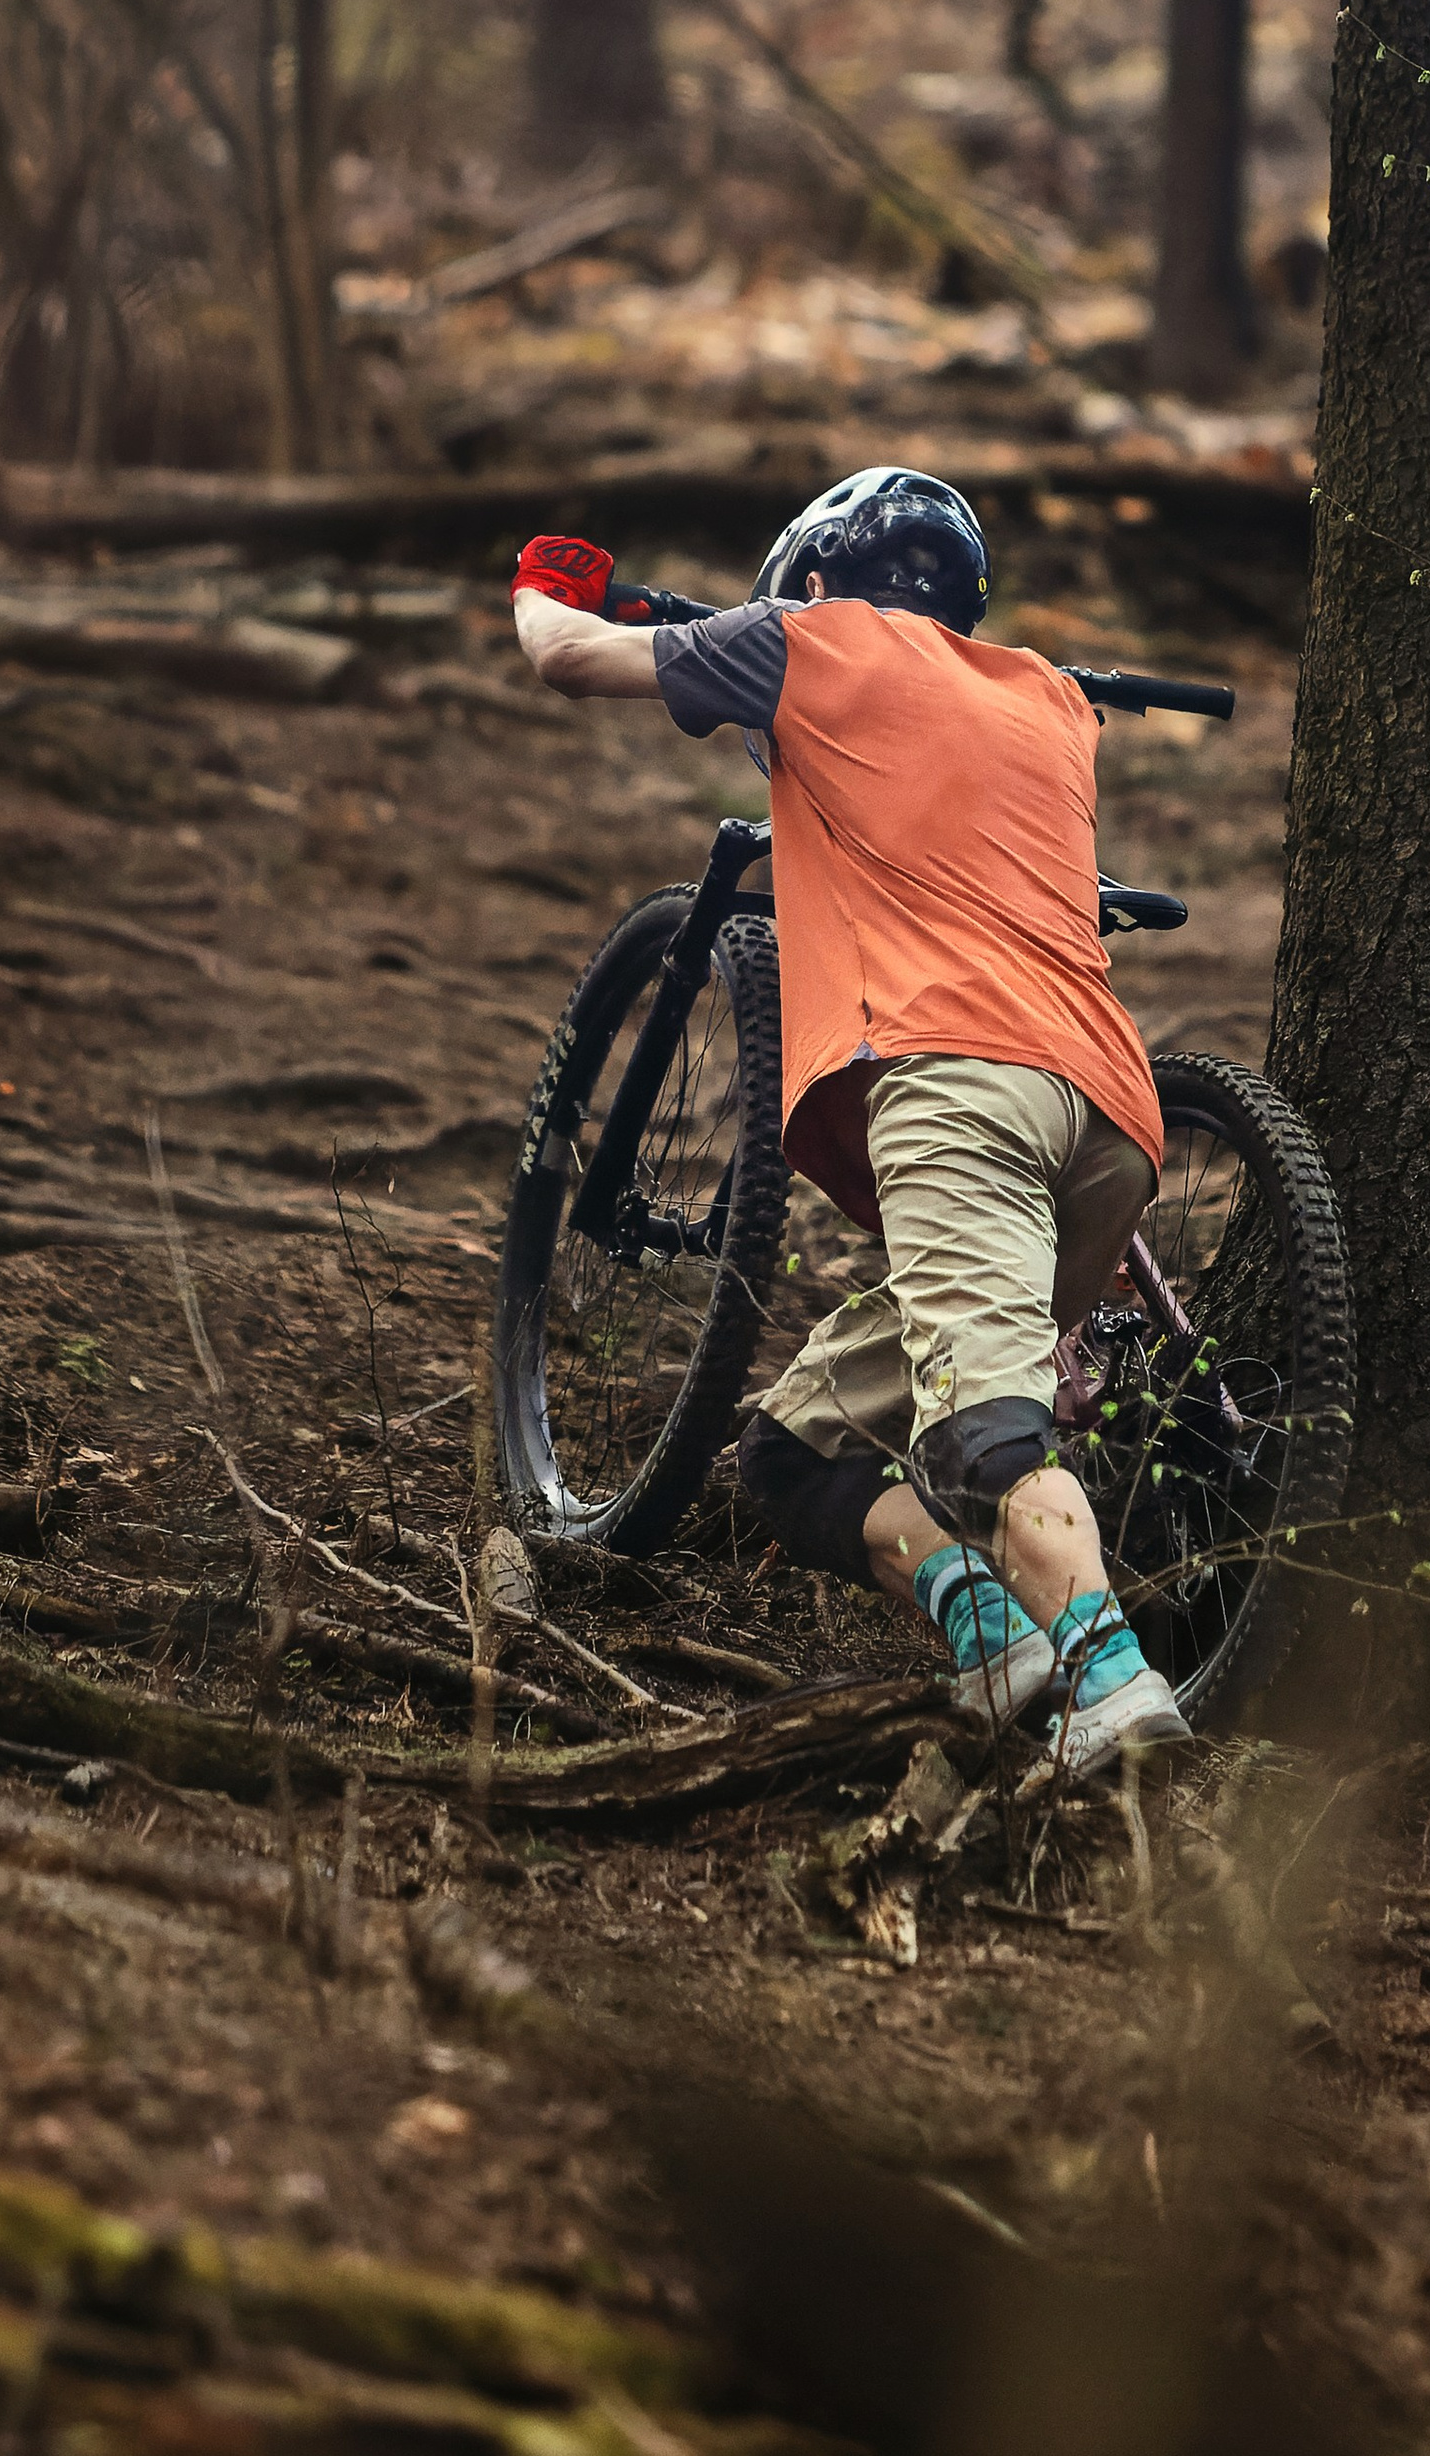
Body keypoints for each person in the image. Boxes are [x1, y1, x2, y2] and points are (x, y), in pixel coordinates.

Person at [509, 464, 1191, 1781]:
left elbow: (576, 660)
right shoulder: (1047, 698)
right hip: (1111, 1117)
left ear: (814, 583)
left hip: (955, 1087)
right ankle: (993, 1633)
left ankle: (1113, 1674)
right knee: (791, 1450)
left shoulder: (805, 639)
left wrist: (543, 586)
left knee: (983, 1438)